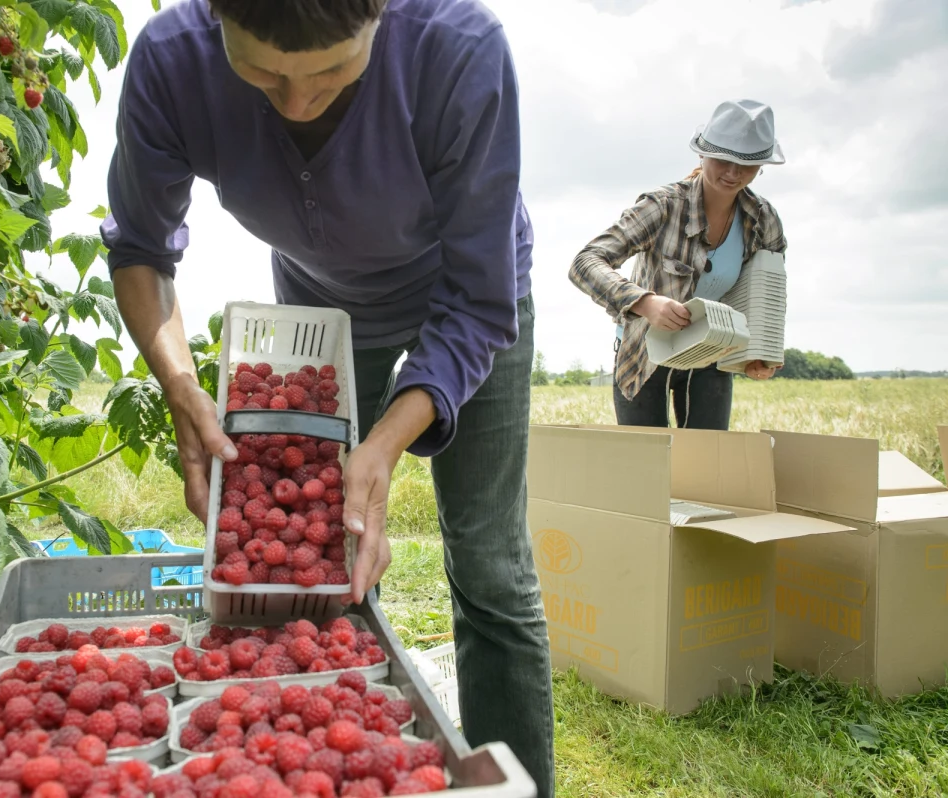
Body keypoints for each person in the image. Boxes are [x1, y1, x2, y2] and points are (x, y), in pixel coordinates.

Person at [99, 0, 555, 793]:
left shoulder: (459, 49)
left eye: (334, 72)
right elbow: (140, 248)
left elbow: (480, 301)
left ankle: (512, 787)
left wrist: (385, 444)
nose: (298, 101)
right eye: (262, 73)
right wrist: (179, 384)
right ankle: (341, 747)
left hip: (469, 302)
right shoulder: (172, 61)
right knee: (325, 561)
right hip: (322, 311)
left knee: (490, 566)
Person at [569, 99, 788, 429]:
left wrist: (760, 352)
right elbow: (585, 262)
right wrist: (645, 302)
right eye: (723, 159)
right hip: (644, 352)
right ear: (702, 154)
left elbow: (769, 291)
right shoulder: (663, 206)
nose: (733, 173)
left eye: (747, 164)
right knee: (647, 458)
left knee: (707, 458)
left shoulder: (763, 219)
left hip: (712, 355)